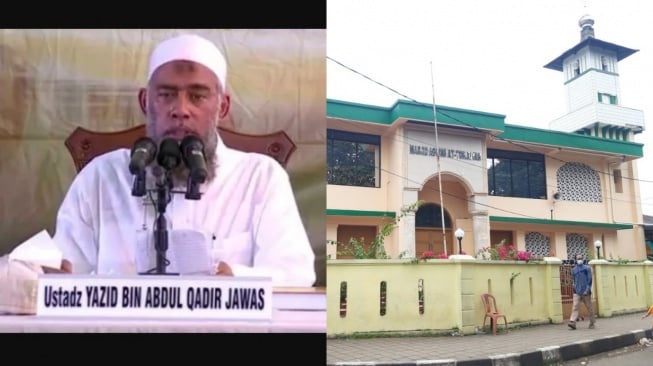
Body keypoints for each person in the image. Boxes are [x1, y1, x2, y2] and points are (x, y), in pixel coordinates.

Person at [50, 33, 316, 287]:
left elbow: (295, 274)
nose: (180, 110)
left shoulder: (260, 177)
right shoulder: (101, 176)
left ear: (222, 106)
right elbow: (64, 270)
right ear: (145, 101)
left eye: (197, 96)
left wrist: (234, 278)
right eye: (166, 95)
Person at [568, 254, 596, 329]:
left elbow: (589, 280)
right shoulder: (574, 270)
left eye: (580, 258)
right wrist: (574, 289)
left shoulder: (587, 268)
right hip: (577, 292)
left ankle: (592, 322)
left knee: (589, 308)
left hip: (586, 292)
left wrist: (587, 290)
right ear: (576, 260)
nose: (579, 260)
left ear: (583, 259)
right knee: (575, 307)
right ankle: (572, 322)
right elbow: (573, 280)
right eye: (578, 259)